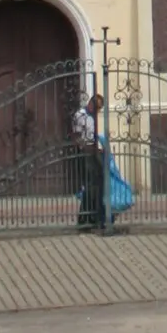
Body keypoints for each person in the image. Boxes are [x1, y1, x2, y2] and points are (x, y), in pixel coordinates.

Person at [71, 83, 104, 229]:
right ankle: (85, 217)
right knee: (90, 185)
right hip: (85, 152)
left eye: (99, 109)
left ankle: (95, 216)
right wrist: (84, 147)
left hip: (94, 151)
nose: (96, 111)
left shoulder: (93, 116)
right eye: (95, 108)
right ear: (90, 103)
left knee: (99, 184)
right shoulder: (81, 115)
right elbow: (77, 136)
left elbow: (94, 135)